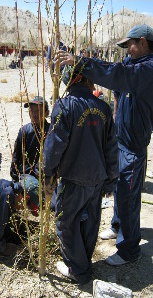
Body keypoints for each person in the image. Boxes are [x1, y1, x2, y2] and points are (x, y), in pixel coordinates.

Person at [54, 24, 153, 266]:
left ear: (142, 42)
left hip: (134, 144)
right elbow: (117, 77)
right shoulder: (133, 65)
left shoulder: (148, 69)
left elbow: (118, 75)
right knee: (120, 188)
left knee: (128, 196)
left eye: (129, 45)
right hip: (122, 139)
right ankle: (118, 226)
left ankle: (129, 250)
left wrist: (81, 61)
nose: (126, 51)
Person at [43, 66, 119, 284]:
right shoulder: (103, 108)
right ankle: (83, 262)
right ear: (86, 81)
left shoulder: (64, 107)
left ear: (69, 83)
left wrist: (47, 175)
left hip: (73, 179)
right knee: (90, 223)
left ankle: (78, 270)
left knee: (66, 223)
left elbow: (53, 147)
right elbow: (111, 149)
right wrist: (110, 181)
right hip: (97, 178)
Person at [10, 96, 55, 215]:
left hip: (47, 175)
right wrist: (15, 179)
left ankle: (34, 200)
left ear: (46, 113)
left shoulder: (51, 131)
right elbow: (16, 156)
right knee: (44, 199)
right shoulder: (25, 131)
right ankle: (32, 199)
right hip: (28, 175)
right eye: (31, 111)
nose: (34, 114)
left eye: (38, 111)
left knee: (56, 201)